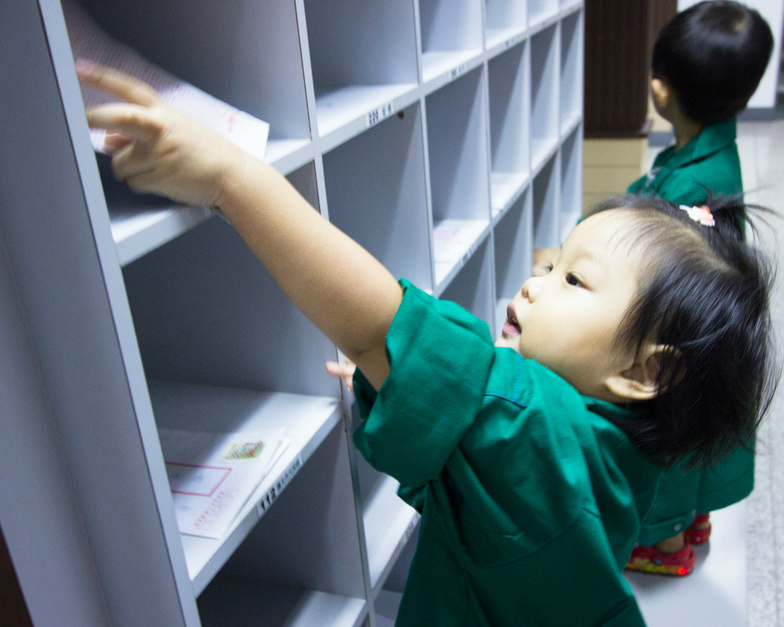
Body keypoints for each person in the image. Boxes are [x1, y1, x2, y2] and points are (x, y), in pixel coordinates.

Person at [77, 63, 776, 626]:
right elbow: (478, 479)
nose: (536, 282)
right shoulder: (616, 447)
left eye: (572, 279)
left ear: (644, 370)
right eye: (552, 262)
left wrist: (229, 177)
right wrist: (389, 373)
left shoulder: (539, 432)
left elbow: (380, 319)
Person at [624, 0, 774, 576]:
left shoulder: (690, 185)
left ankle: (664, 544)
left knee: (664, 434)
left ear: (661, 92)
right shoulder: (711, 151)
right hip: (706, 319)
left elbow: (655, 258)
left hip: (681, 328)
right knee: (695, 436)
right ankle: (693, 519)